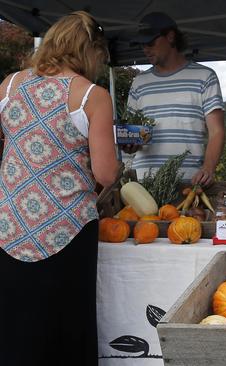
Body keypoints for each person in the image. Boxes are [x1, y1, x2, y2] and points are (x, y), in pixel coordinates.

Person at [0, 11, 119, 365]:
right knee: (66, 327)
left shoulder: (8, 87)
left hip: (10, 225)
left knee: (14, 323)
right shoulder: (91, 97)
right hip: (68, 229)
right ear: (89, 51)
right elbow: (106, 173)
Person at [125, 11, 225, 186]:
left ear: (170, 37)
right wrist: (130, 143)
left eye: (150, 42)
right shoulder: (138, 83)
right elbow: (133, 134)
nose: (145, 49)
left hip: (189, 183)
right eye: (142, 44)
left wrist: (208, 169)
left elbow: (216, 131)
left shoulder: (204, 76)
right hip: (143, 185)